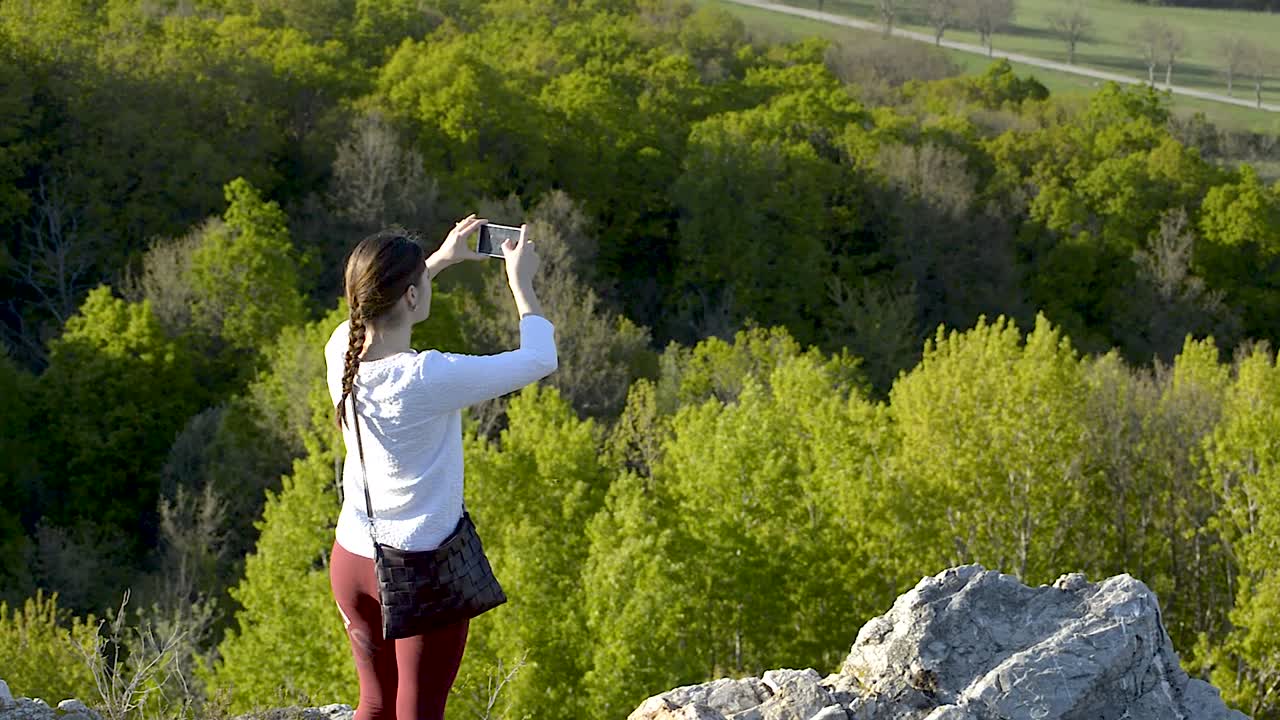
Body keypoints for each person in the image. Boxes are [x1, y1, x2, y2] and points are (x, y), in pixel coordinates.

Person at [324, 215, 557, 720]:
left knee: (375, 704)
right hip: (421, 571)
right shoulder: (425, 377)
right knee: (420, 711)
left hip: (352, 561)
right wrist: (521, 284)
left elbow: (383, 302)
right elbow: (540, 358)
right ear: (410, 296)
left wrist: (441, 260)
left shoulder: (340, 346)